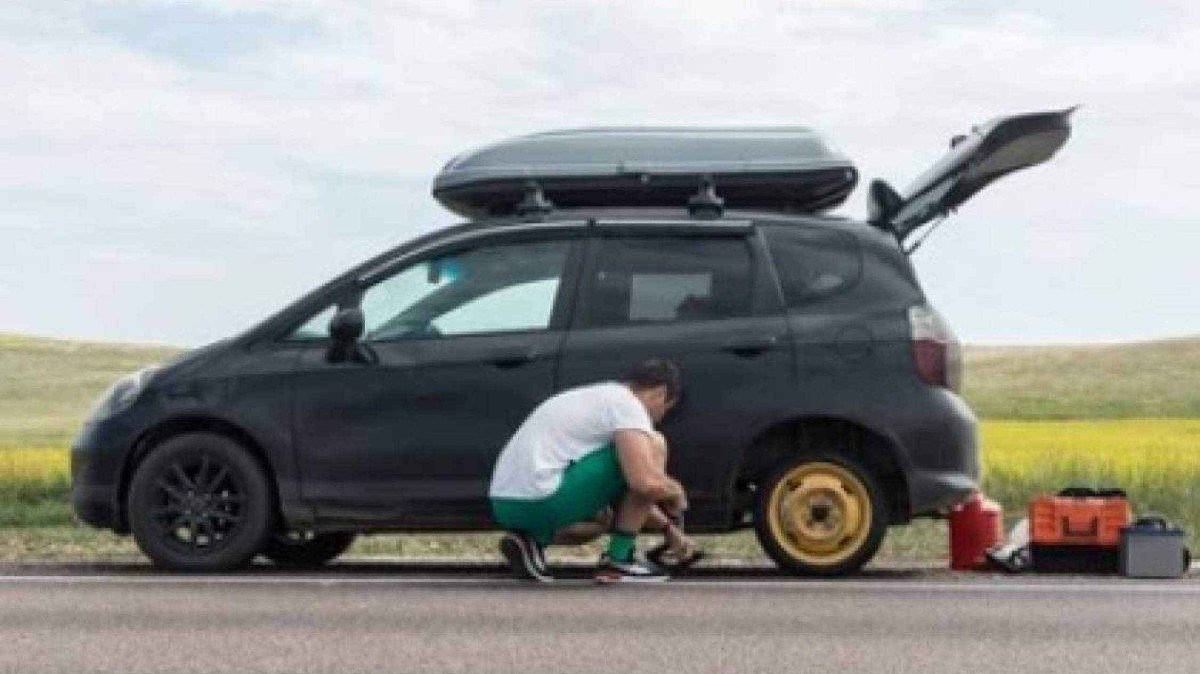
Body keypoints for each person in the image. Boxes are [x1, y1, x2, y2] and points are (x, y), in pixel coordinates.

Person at [488, 359, 698, 583]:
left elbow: (629, 493)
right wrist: (675, 492)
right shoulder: (629, 406)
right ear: (661, 392)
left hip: (506, 505)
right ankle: (619, 561)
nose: (659, 418)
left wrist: (667, 528)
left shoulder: (595, 397)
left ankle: (529, 541)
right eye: (666, 409)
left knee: (601, 520)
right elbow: (643, 483)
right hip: (544, 499)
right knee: (655, 443)